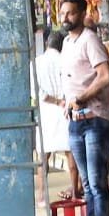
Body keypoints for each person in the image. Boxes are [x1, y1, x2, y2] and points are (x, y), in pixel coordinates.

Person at [59, 0, 109, 216]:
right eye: (63, 13)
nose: (65, 17)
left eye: (70, 13)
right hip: (75, 122)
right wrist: (68, 102)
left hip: (95, 119)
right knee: (87, 186)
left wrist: (82, 97)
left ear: (82, 14)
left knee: (97, 185)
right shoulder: (67, 43)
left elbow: (106, 76)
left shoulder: (89, 40)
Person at [35, 30, 82, 200]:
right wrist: (62, 101)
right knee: (71, 152)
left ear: (47, 43)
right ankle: (75, 193)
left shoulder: (36, 62)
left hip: (46, 112)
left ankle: (42, 195)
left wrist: (53, 101)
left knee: (43, 156)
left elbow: (36, 92)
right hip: (65, 111)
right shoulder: (65, 60)